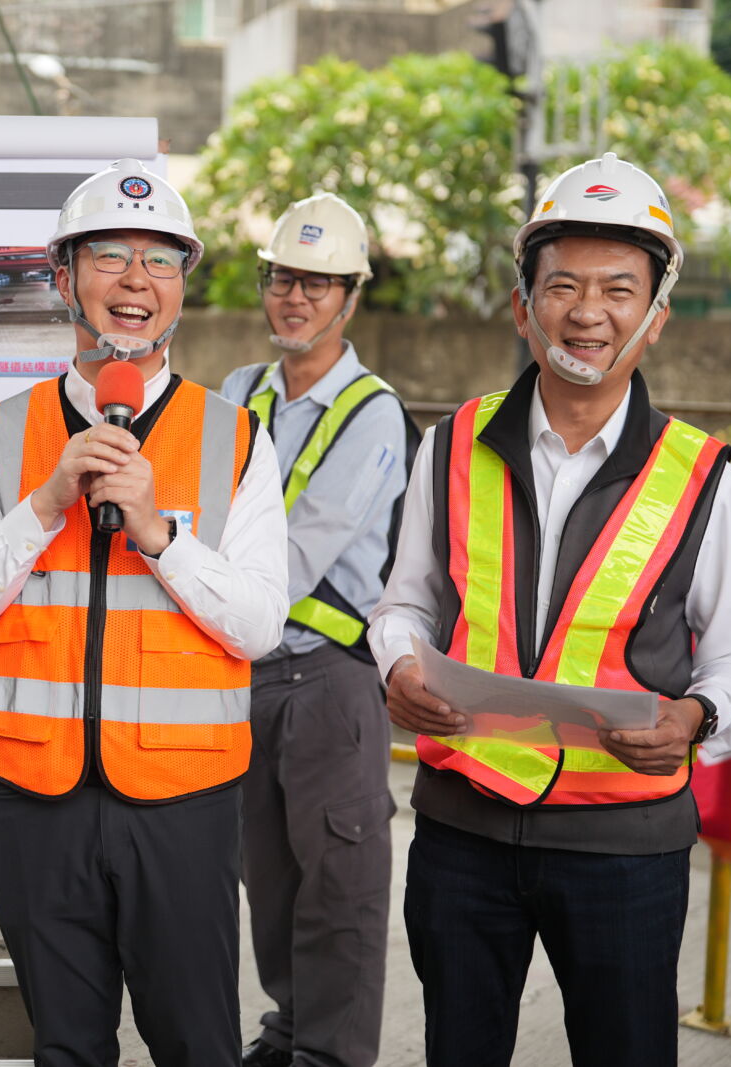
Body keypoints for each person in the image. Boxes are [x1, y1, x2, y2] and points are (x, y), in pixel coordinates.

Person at [368, 153, 731, 1067]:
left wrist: (696, 717)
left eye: (619, 289)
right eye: (563, 286)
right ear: (524, 306)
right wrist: (398, 664)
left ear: (656, 317)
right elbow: (404, 604)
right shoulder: (450, 445)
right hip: (462, 834)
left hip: (625, 849)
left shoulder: (705, 477)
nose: (588, 312)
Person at [0, 158, 289, 1066]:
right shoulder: (0, 434)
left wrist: (162, 537)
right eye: (112, 257)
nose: (137, 280)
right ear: (63, 278)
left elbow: (260, 624)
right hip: (37, 802)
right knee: (67, 1049)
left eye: (163, 261)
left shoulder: (236, 436)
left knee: (197, 1044)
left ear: (180, 293)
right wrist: (44, 505)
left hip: (183, 805)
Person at [220, 193, 417, 1067]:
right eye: (282, 279)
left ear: (351, 295)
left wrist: (190, 560)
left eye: (317, 283)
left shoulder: (374, 413)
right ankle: (290, 1029)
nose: (293, 299)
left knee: (339, 884)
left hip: (330, 681)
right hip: (242, 672)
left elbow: (297, 558)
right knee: (267, 876)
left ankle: (331, 1056)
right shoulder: (237, 393)